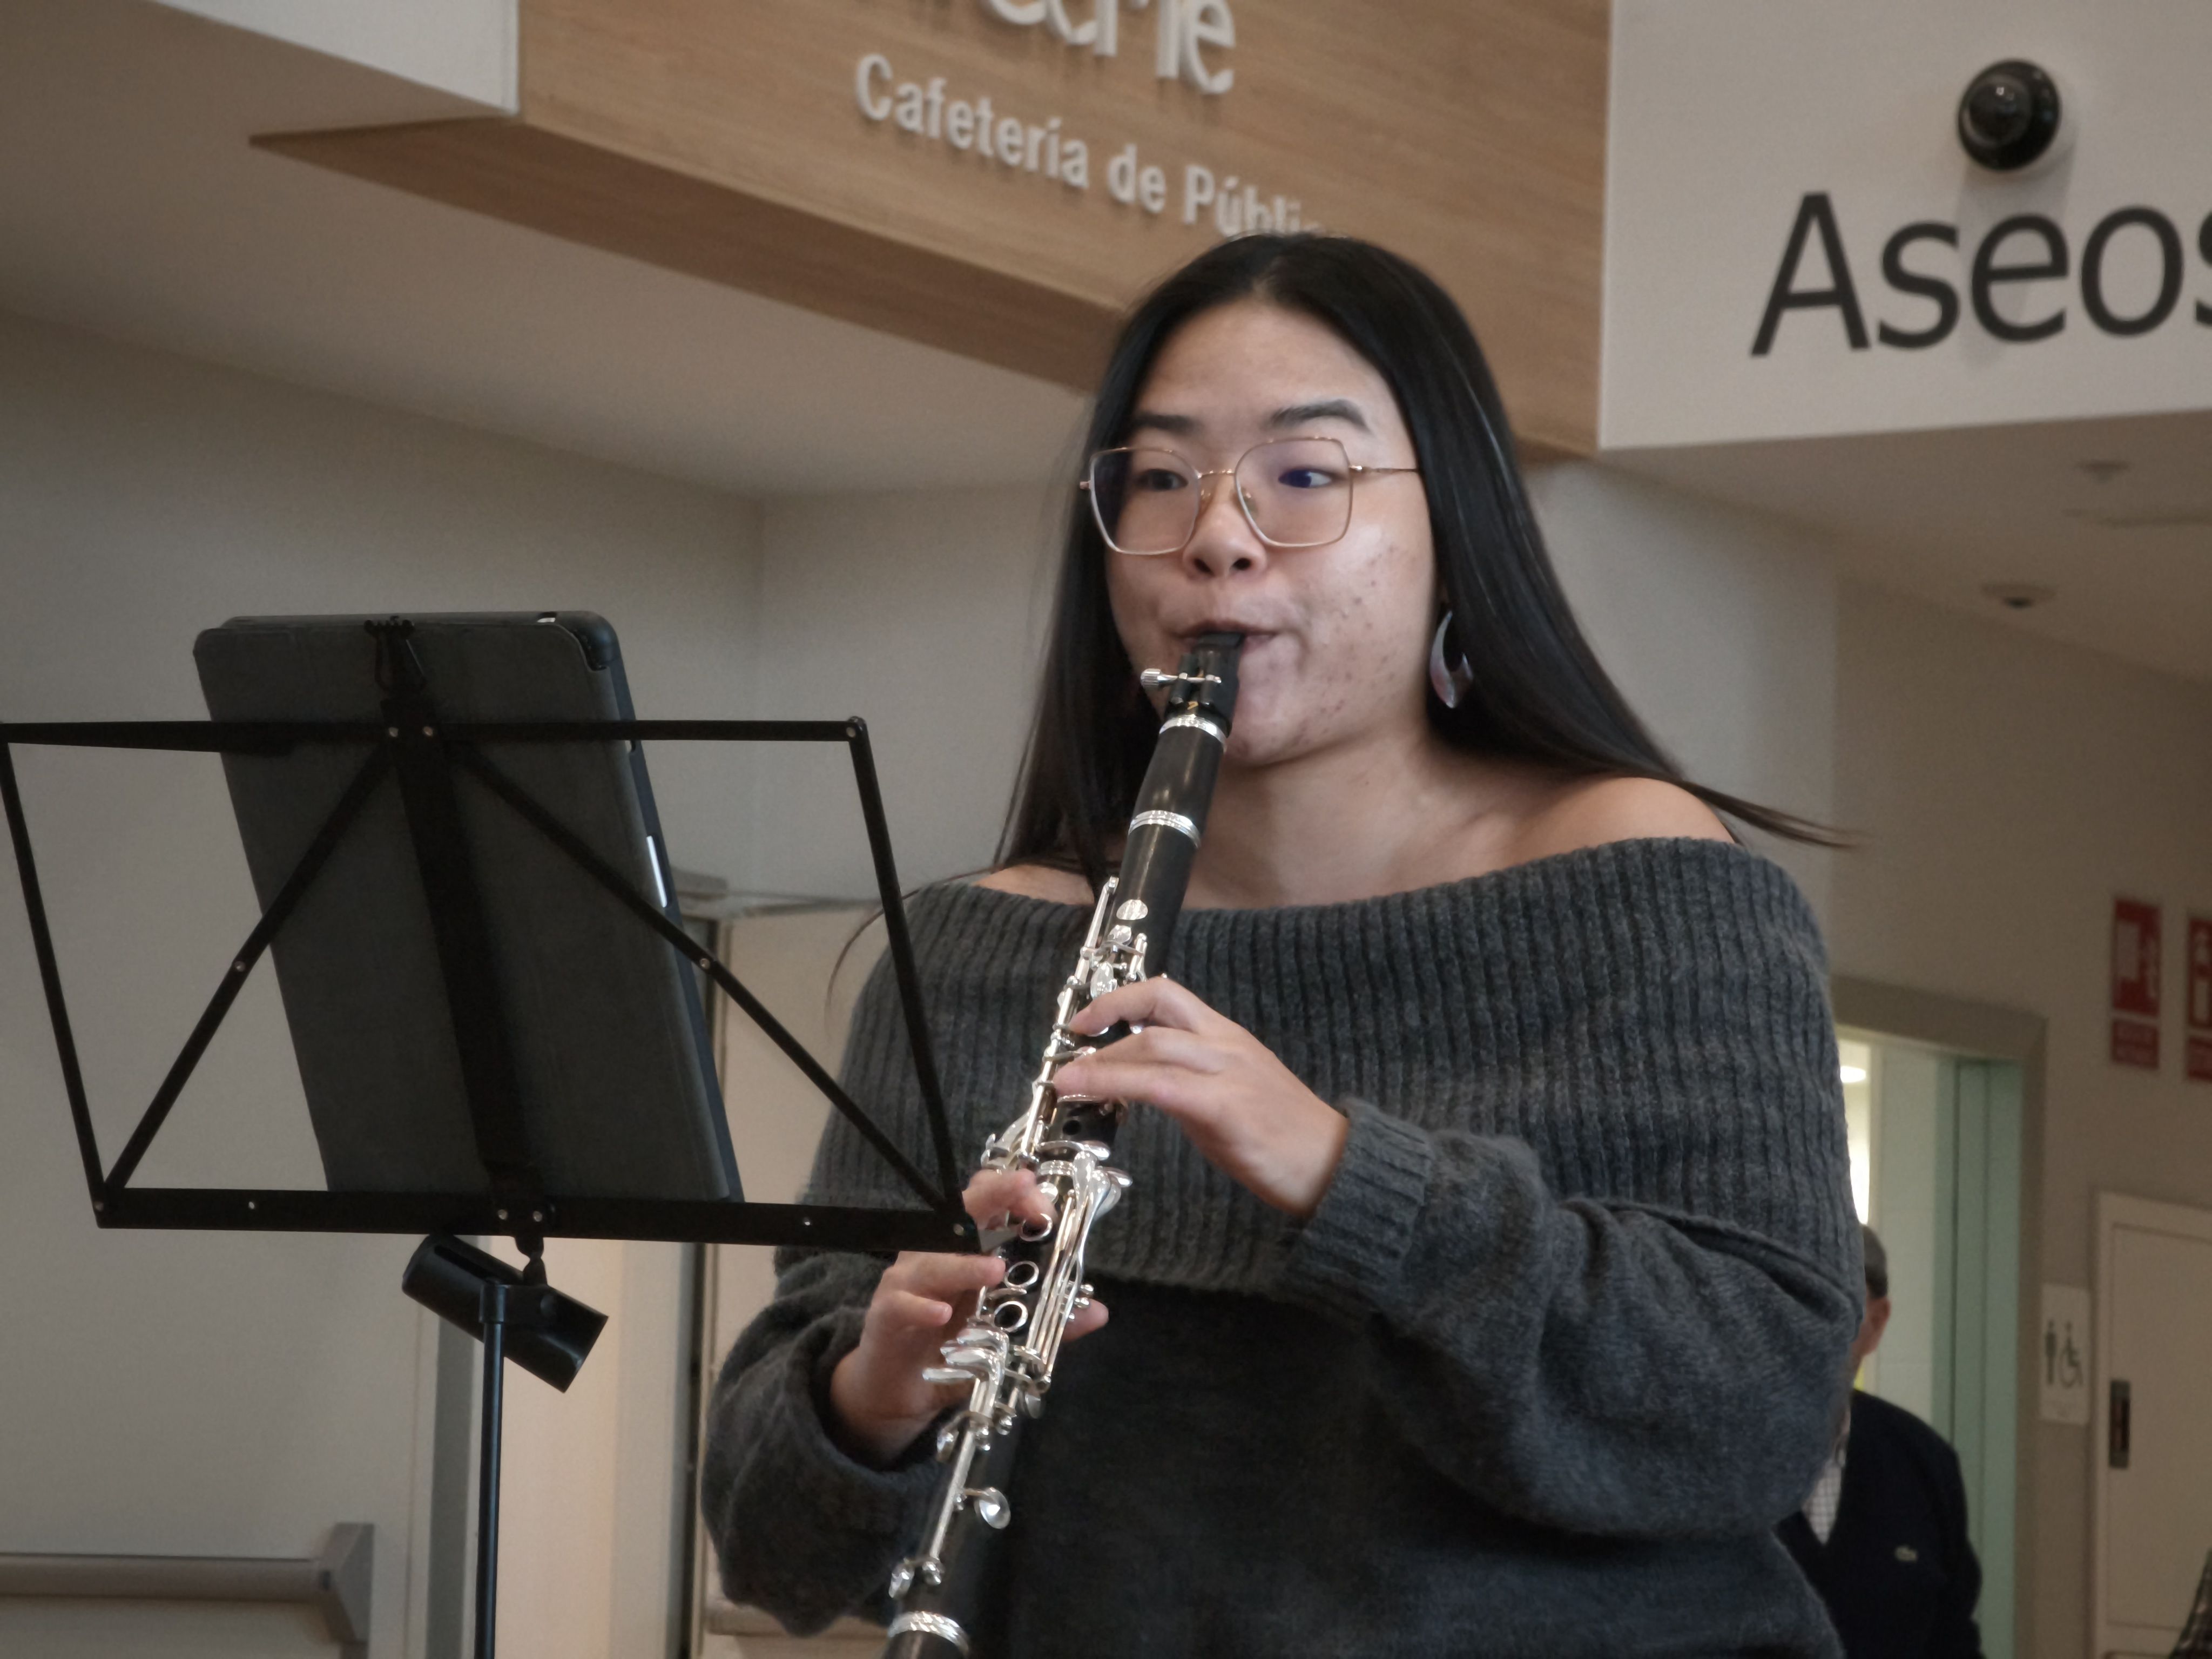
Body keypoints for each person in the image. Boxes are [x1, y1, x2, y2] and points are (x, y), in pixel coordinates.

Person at [701, 232, 1863, 1657]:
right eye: (1164, 474)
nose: (1220, 535)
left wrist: (1339, 1175)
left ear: (1460, 534)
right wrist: (866, 1399)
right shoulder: (971, 952)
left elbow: (1752, 1419)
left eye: (1306, 475)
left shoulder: (1649, 881)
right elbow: (767, 1546)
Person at [1780, 1226, 1986, 1658]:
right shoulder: (1708, 1460)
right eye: (1790, 1296)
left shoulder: (1924, 1465)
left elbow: (1952, 1640)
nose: (1808, 1325)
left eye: (1835, 1302)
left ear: (1875, 1324)